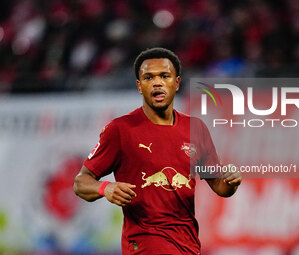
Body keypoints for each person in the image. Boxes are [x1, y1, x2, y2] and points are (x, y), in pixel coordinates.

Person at [73, 47, 242, 254]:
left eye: (164, 76)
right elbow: (81, 183)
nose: (157, 82)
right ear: (139, 86)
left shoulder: (195, 129)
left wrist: (231, 182)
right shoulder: (120, 130)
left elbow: (219, 186)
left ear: (177, 83)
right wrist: (105, 188)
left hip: (188, 244)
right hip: (145, 243)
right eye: (148, 77)